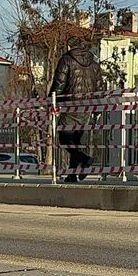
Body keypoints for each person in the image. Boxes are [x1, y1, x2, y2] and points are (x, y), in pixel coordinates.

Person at [48, 35, 103, 182]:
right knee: (76, 141)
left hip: (70, 106)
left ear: (69, 47)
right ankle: (72, 175)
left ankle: (84, 160)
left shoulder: (66, 60)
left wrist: (51, 102)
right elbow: (99, 89)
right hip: (87, 108)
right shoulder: (94, 64)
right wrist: (97, 110)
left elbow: (59, 84)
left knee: (64, 139)